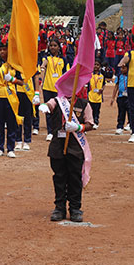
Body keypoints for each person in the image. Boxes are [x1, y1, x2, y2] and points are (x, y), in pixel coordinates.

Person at [39, 93, 94, 222]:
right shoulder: (57, 101)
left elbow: (90, 124)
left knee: (75, 177)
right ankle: (59, 207)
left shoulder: (84, 104)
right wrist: (44, 106)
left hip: (75, 147)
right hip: (58, 145)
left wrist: (79, 127)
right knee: (59, 177)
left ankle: (75, 208)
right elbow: (48, 105)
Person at [0, 42, 23, 158]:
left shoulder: (14, 65)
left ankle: (10, 148)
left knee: (11, 123)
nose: (2, 52)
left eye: (5, 50)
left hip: (11, 96)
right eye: (0, 50)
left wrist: (13, 79)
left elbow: (22, 82)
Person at [40, 39, 68, 141]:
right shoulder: (46, 58)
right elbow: (43, 64)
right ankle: (50, 132)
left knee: (59, 111)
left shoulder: (63, 60)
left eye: (55, 45)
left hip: (59, 90)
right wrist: (43, 66)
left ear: (59, 47)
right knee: (48, 110)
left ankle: (58, 131)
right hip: (47, 87)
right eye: (51, 45)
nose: (52, 47)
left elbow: (66, 73)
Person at [110, 65, 129, 135]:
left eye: (124, 68)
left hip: (129, 97)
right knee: (121, 112)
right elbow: (116, 87)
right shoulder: (119, 76)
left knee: (130, 112)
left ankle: (130, 124)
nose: (122, 69)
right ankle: (120, 127)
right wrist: (113, 97)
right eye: (121, 68)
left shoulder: (130, 76)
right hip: (121, 97)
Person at [88, 59, 105, 129]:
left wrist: (102, 89)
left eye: (97, 65)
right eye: (94, 64)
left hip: (98, 97)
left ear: (100, 66)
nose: (96, 66)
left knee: (97, 110)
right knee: (90, 110)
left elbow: (104, 84)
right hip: (90, 96)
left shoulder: (102, 76)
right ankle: (90, 122)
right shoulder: (89, 75)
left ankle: (96, 122)